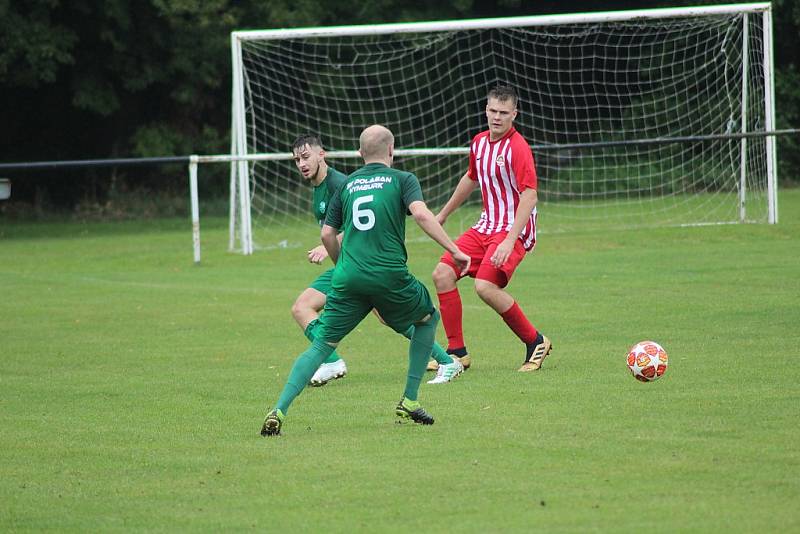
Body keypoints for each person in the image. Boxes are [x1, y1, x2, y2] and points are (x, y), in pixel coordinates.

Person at [261, 125, 470, 436]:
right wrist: (455, 251)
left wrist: (342, 266)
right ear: (391, 150)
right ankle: (413, 397)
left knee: (321, 344)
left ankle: (278, 409)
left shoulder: (347, 186)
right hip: (388, 275)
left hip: (349, 277)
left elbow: (327, 234)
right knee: (428, 317)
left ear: (359, 154)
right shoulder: (403, 179)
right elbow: (423, 216)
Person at [291, 134, 463, 387]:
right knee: (387, 317)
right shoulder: (319, 186)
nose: (301, 164)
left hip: (361, 265)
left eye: (306, 157)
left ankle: (332, 361)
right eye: (296, 160)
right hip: (354, 267)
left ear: (321, 154)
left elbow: (360, 223)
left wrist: (329, 245)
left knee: (303, 307)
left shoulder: (340, 183)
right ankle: (444, 360)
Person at [429, 85, 552, 373]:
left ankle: (536, 342)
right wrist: (443, 214)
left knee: (484, 286)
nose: (497, 117)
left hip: (512, 231)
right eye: (493, 111)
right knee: (442, 274)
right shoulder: (480, 142)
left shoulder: (518, 147)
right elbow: (471, 178)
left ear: (514, 114)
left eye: (504, 113)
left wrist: (509, 241)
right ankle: (457, 352)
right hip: (485, 227)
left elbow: (530, 194)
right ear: (486, 110)